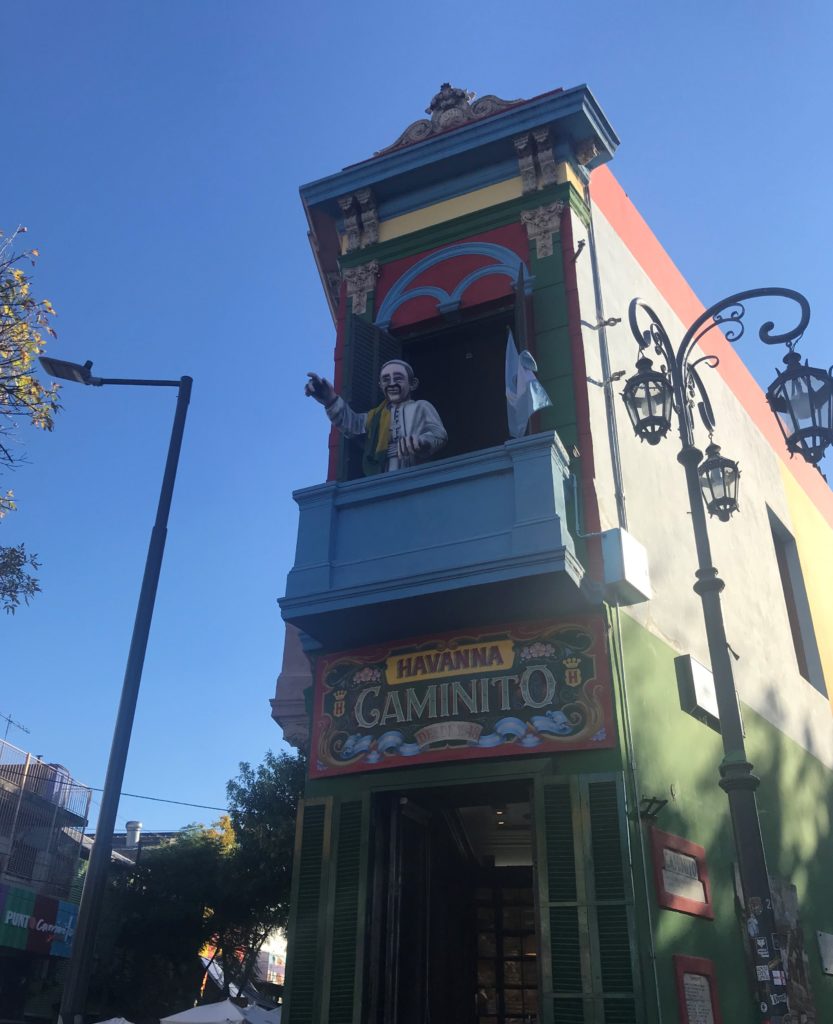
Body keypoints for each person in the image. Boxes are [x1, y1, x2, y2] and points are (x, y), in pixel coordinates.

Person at [305, 359, 447, 474]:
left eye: (398, 378)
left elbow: (439, 434)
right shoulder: (376, 416)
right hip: (384, 475)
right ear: (380, 385)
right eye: (386, 379)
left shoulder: (421, 407)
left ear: (412, 384)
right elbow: (352, 424)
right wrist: (330, 400)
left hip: (416, 474)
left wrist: (422, 441)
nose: (391, 383)